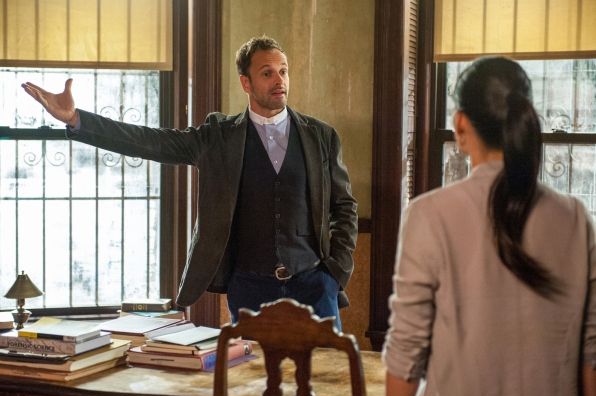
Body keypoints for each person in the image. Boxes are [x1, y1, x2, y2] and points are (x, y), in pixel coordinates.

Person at [22, 36, 358, 330]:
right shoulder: (218, 137)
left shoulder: (321, 136)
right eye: (267, 73)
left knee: (329, 380)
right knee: (251, 385)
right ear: (246, 82)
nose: (279, 80)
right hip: (250, 287)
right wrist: (78, 119)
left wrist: (335, 273)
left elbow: (344, 207)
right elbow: (150, 141)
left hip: (315, 284)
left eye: (283, 71)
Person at [382, 56, 596, 396]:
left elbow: (407, 351)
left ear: (461, 124)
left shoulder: (429, 214)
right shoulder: (576, 218)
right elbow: (591, 353)